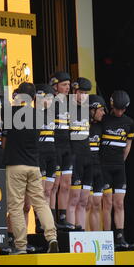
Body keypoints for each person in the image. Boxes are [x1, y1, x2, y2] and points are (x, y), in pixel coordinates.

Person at [2, 82, 59, 255]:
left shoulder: (9, 113)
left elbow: (4, 141)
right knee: (41, 203)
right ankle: (52, 237)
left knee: (16, 207)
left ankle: (20, 245)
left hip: (15, 166)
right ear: (34, 98)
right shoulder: (39, 116)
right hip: (34, 166)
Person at [99, 90, 134, 250]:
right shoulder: (104, 119)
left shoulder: (129, 122)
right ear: (112, 106)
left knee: (119, 203)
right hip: (103, 167)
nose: (120, 112)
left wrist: (121, 161)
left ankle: (120, 237)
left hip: (119, 168)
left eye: (123, 109)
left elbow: (128, 144)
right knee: (107, 203)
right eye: (118, 109)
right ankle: (107, 238)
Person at [49, 71, 75, 230]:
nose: (67, 88)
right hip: (55, 148)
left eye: (69, 85)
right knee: (54, 185)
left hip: (67, 148)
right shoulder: (50, 102)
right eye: (64, 85)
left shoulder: (70, 104)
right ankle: (50, 219)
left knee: (66, 185)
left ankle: (63, 218)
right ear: (55, 85)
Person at [67, 78, 93, 231]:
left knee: (84, 200)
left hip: (87, 157)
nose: (83, 96)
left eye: (85, 93)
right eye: (81, 92)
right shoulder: (66, 108)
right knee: (73, 199)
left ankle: (81, 232)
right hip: (73, 157)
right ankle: (70, 231)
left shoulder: (86, 109)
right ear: (74, 91)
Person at [34, 84, 57, 233]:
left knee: (48, 191)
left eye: (52, 99)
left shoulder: (52, 115)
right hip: (39, 155)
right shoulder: (33, 114)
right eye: (48, 98)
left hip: (52, 154)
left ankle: (48, 223)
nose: (50, 101)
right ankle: (39, 223)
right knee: (41, 192)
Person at [88, 95, 107, 231]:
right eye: (101, 110)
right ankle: (83, 238)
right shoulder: (81, 126)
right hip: (84, 169)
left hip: (98, 169)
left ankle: (97, 237)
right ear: (92, 110)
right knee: (85, 204)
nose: (103, 113)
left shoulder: (102, 126)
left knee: (97, 204)